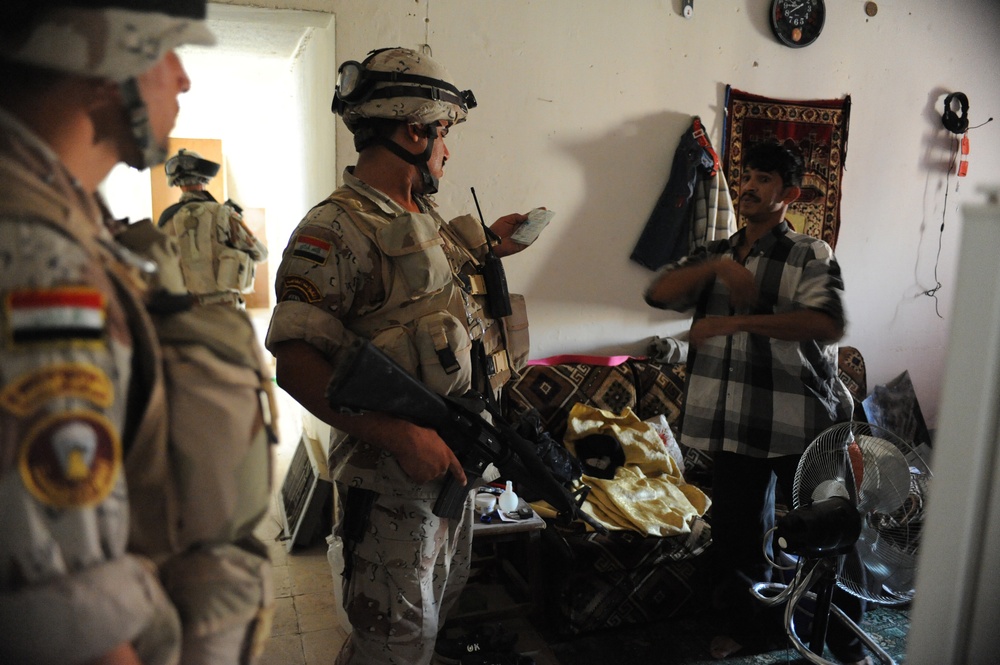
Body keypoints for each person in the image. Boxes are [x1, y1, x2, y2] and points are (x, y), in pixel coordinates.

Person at [0, 3, 275, 665]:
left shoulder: (75, 217)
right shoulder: (42, 258)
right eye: (165, 50)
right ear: (100, 64)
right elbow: (69, 612)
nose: (181, 79)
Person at [265, 46, 535, 665]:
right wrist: (402, 438)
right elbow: (296, 363)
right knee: (391, 647)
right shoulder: (333, 230)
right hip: (391, 485)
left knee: (425, 631)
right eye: (442, 133)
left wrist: (492, 243)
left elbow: (425, 295)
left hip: (449, 473)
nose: (447, 150)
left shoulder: (421, 215)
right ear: (413, 129)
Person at [644, 141, 870, 665]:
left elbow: (827, 323)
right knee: (740, 537)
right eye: (746, 175)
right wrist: (716, 272)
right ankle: (757, 629)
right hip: (734, 423)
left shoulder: (811, 253)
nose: (748, 186)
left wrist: (738, 321)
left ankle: (848, 643)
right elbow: (658, 293)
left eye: (763, 179)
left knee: (828, 530)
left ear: (789, 194)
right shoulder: (717, 254)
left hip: (803, 421)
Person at [159, 148, 268, 307]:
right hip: (225, 309)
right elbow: (261, 254)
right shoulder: (222, 213)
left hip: (188, 309)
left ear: (176, 183)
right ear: (204, 179)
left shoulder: (166, 219)